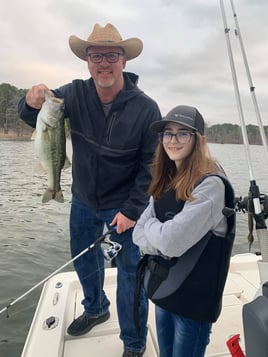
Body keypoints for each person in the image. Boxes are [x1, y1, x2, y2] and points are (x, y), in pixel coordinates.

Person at [18, 23, 162, 357]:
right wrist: (30, 99)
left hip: (124, 206)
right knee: (84, 261)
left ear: (124, 60)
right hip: (82, 199)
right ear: (87, 61)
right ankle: (96, 308)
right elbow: (36, 117)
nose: (103, 63)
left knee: (130, 275)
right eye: (96, 55)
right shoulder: (74, 94)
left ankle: (134, 343)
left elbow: (151, 167)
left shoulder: (146, 109)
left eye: (111, 55)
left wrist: (132, 210)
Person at [133, 105, 236, 357]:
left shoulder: (210, 184)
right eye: (167, 133)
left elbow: (171, 243)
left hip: (192, 300)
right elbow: (137, 233)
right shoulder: (167, 177)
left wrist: (153, 230)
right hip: (166, 289)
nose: (172, 140)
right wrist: (157, 232)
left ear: (197, 139)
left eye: (182, 134)